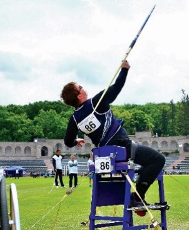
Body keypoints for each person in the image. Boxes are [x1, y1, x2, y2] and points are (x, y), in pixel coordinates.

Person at [60, 60, 165, 207]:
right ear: (79, 95)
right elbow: (117, 87)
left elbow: (67, 141)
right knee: (158, 160)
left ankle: (139, 183)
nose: (83, 88)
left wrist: (76, 141)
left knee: (144, 162)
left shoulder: (74, 119)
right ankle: (137, 197)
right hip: (123, 148)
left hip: (105, 154)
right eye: (81, 87)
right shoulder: (95, 103)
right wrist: (125, 69)